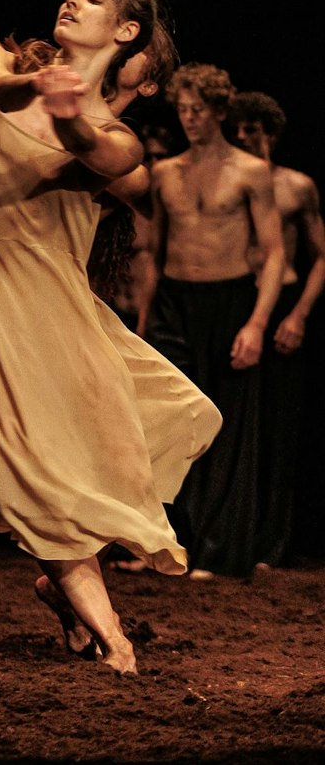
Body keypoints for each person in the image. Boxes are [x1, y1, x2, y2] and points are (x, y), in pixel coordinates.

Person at [0, 0, 220, 675]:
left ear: (127, 29)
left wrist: (72, 114)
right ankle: (112, 634)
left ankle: (66, 587)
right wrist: (35, 86)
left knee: (143, 429)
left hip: (48, 305)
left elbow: (99, 149)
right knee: (26, 449)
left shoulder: (120, 140)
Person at [136, 64, 284, 579]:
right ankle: (159, 541)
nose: (189, 118)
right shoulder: (165, 172)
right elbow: (152, 253)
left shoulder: (251, 171)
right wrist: (143, 321)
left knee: (227, 426)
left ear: (220, 111)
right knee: (165, 418)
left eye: (199, 109)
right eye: (182, 109)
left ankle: (217, 551)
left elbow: (273, 252)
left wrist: (257, 324)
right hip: (175, 304)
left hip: (230, 302)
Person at [231, 92, 322, 568]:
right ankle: (234, 538)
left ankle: (272, 543)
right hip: (236, 300)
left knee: (279, 430)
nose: (243, 137)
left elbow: (321, 256)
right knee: (236, 426)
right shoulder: (233, 179)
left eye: (252, 129)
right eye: (239, 129)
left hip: (282, 301)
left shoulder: (296, 185)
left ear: (270, 133)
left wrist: (299, 315)